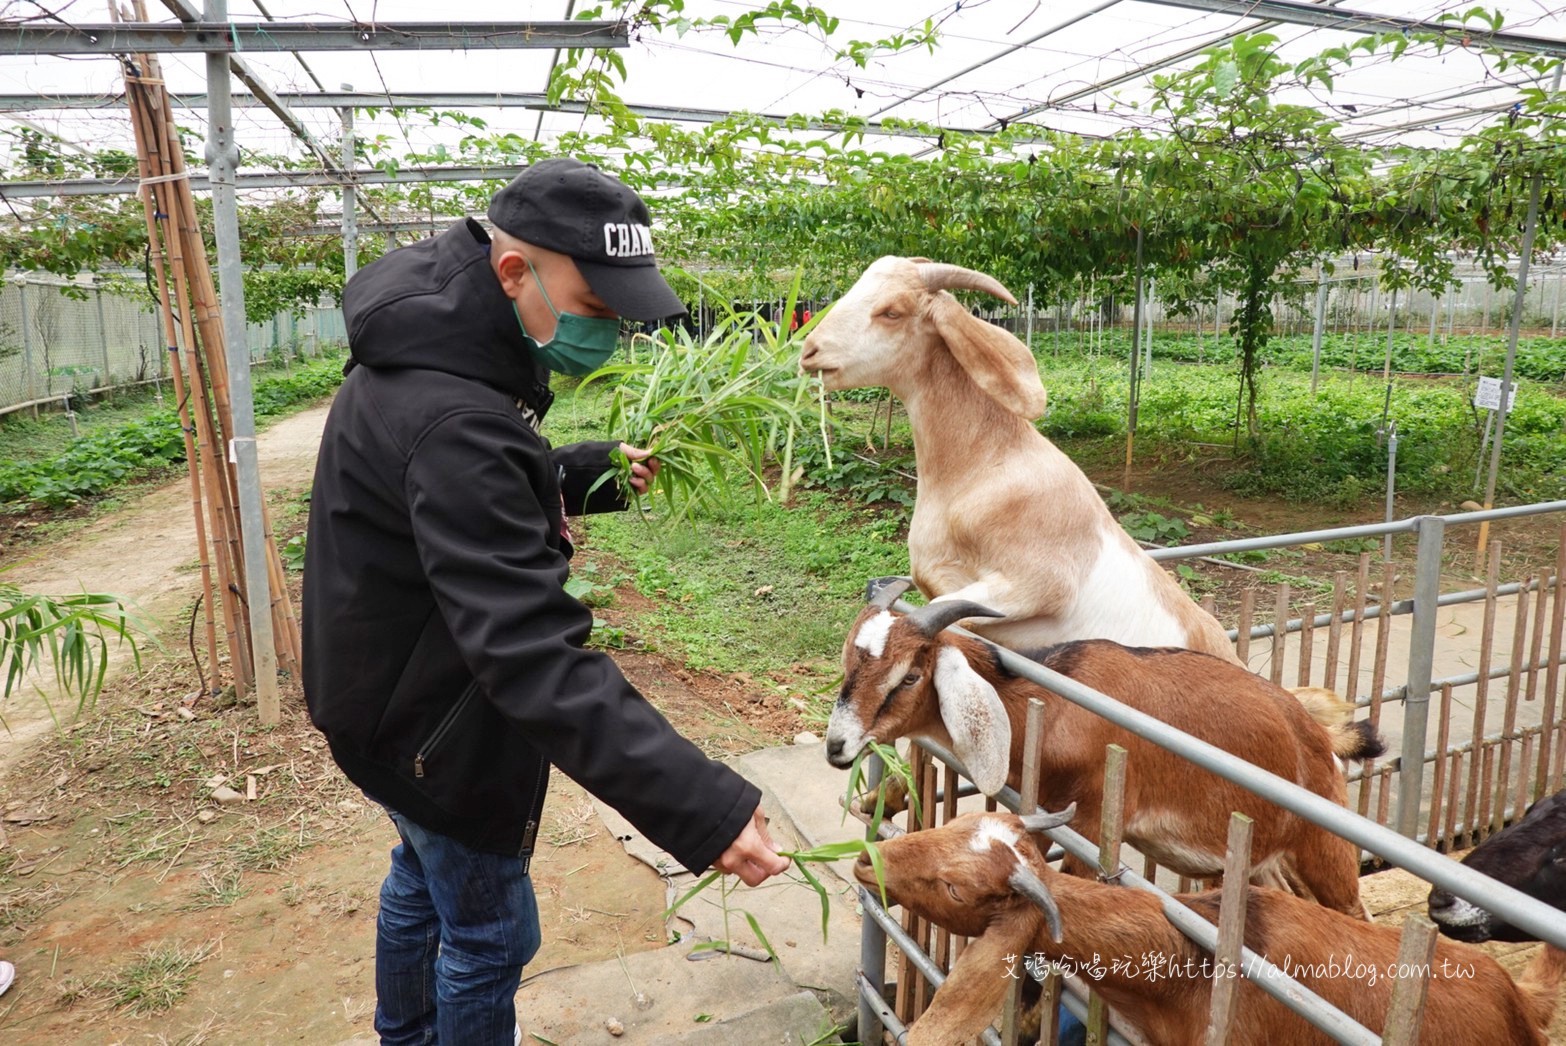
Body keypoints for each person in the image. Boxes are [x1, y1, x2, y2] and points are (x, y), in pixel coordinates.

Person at [302, 158, 791, 1046]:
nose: (605, 335)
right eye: (597, 310)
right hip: (433, 727)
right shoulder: (457, 417)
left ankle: (403, 1034)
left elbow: (449, 499)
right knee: (490, 935)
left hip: (383, 699)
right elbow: (529, 648)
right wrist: (698, 804)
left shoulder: (435, 353)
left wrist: (572, 473)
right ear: (514, 272)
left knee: (419, 880)